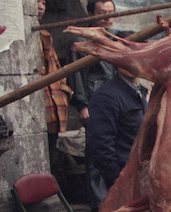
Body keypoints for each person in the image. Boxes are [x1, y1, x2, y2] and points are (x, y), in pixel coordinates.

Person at [86, 67, 148, 204]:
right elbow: (100, 145)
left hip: (142, 178)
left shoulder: (140, 92)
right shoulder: (106, 96)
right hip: (124, 180)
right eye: (125, 60)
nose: (130, 64)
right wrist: (117, 180)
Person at [68, 0, 117, 127]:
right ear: (90, 14)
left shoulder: (114, 39)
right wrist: (83, 106)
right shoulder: (80, 42)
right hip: (94, 100)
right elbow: (75, 76)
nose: (107, 18)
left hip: (114, 99)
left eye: (110, 13)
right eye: (102, 13)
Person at [37, 0, 73, 171]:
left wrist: (63, 93)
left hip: (53, 107)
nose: (40, 6)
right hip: (38, 109)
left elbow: (56, 71)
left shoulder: (45, 35)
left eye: (43, 2)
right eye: (36, 1)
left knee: (50, 158)